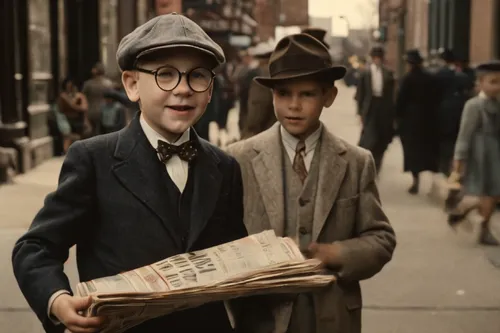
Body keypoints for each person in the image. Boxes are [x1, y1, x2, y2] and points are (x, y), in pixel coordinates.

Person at [12, 13, 268, 333]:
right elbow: (35, 248)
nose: (183, 89)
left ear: (211, 89)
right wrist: (57, 299)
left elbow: (234, 259)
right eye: (165, 75)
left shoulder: (224, 166)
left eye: (197, 76)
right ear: (132, 85)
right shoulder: (94, 159)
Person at [227, 33, 396, 333]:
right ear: (272, 95)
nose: (294, 105)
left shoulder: (356, 162)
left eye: (307, 94)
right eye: (284, 94)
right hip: (262, 318)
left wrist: (336, 254)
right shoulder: (239, 159)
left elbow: (380, 239)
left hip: (332, 317)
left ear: (328, 97)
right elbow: (221, 241)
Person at [451, 61, 500, 246]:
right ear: (480, 83)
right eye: (493, 82)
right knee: (485, 193)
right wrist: (459, 158)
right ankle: (483, 228)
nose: (497, 87)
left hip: (496, 154)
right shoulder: (473, 106)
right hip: (479, 156)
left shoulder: (497, 104)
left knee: (493, 194)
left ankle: (465, 210)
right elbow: (464, 134)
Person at [396, 49, 440, 194]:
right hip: (428, 119)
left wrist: (396, 117)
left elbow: (401, 100)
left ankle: (416, 181)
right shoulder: (430, 78)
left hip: (411, 120)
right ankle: (433, 182)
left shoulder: (407, 79)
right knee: (428, 150)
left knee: (413, 151)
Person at [355, 46, 396, 174]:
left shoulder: (388, 73)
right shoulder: (365, 73)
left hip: (383, 108)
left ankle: (377, 165)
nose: (377, 60)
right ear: (372, 59)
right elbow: (360, 94)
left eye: (380, 58)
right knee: (368, 138)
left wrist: (392, 113)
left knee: (381, 139)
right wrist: (360, 112)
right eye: (375, 58)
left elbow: (392, 95)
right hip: (370, 106)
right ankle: (367, 164)